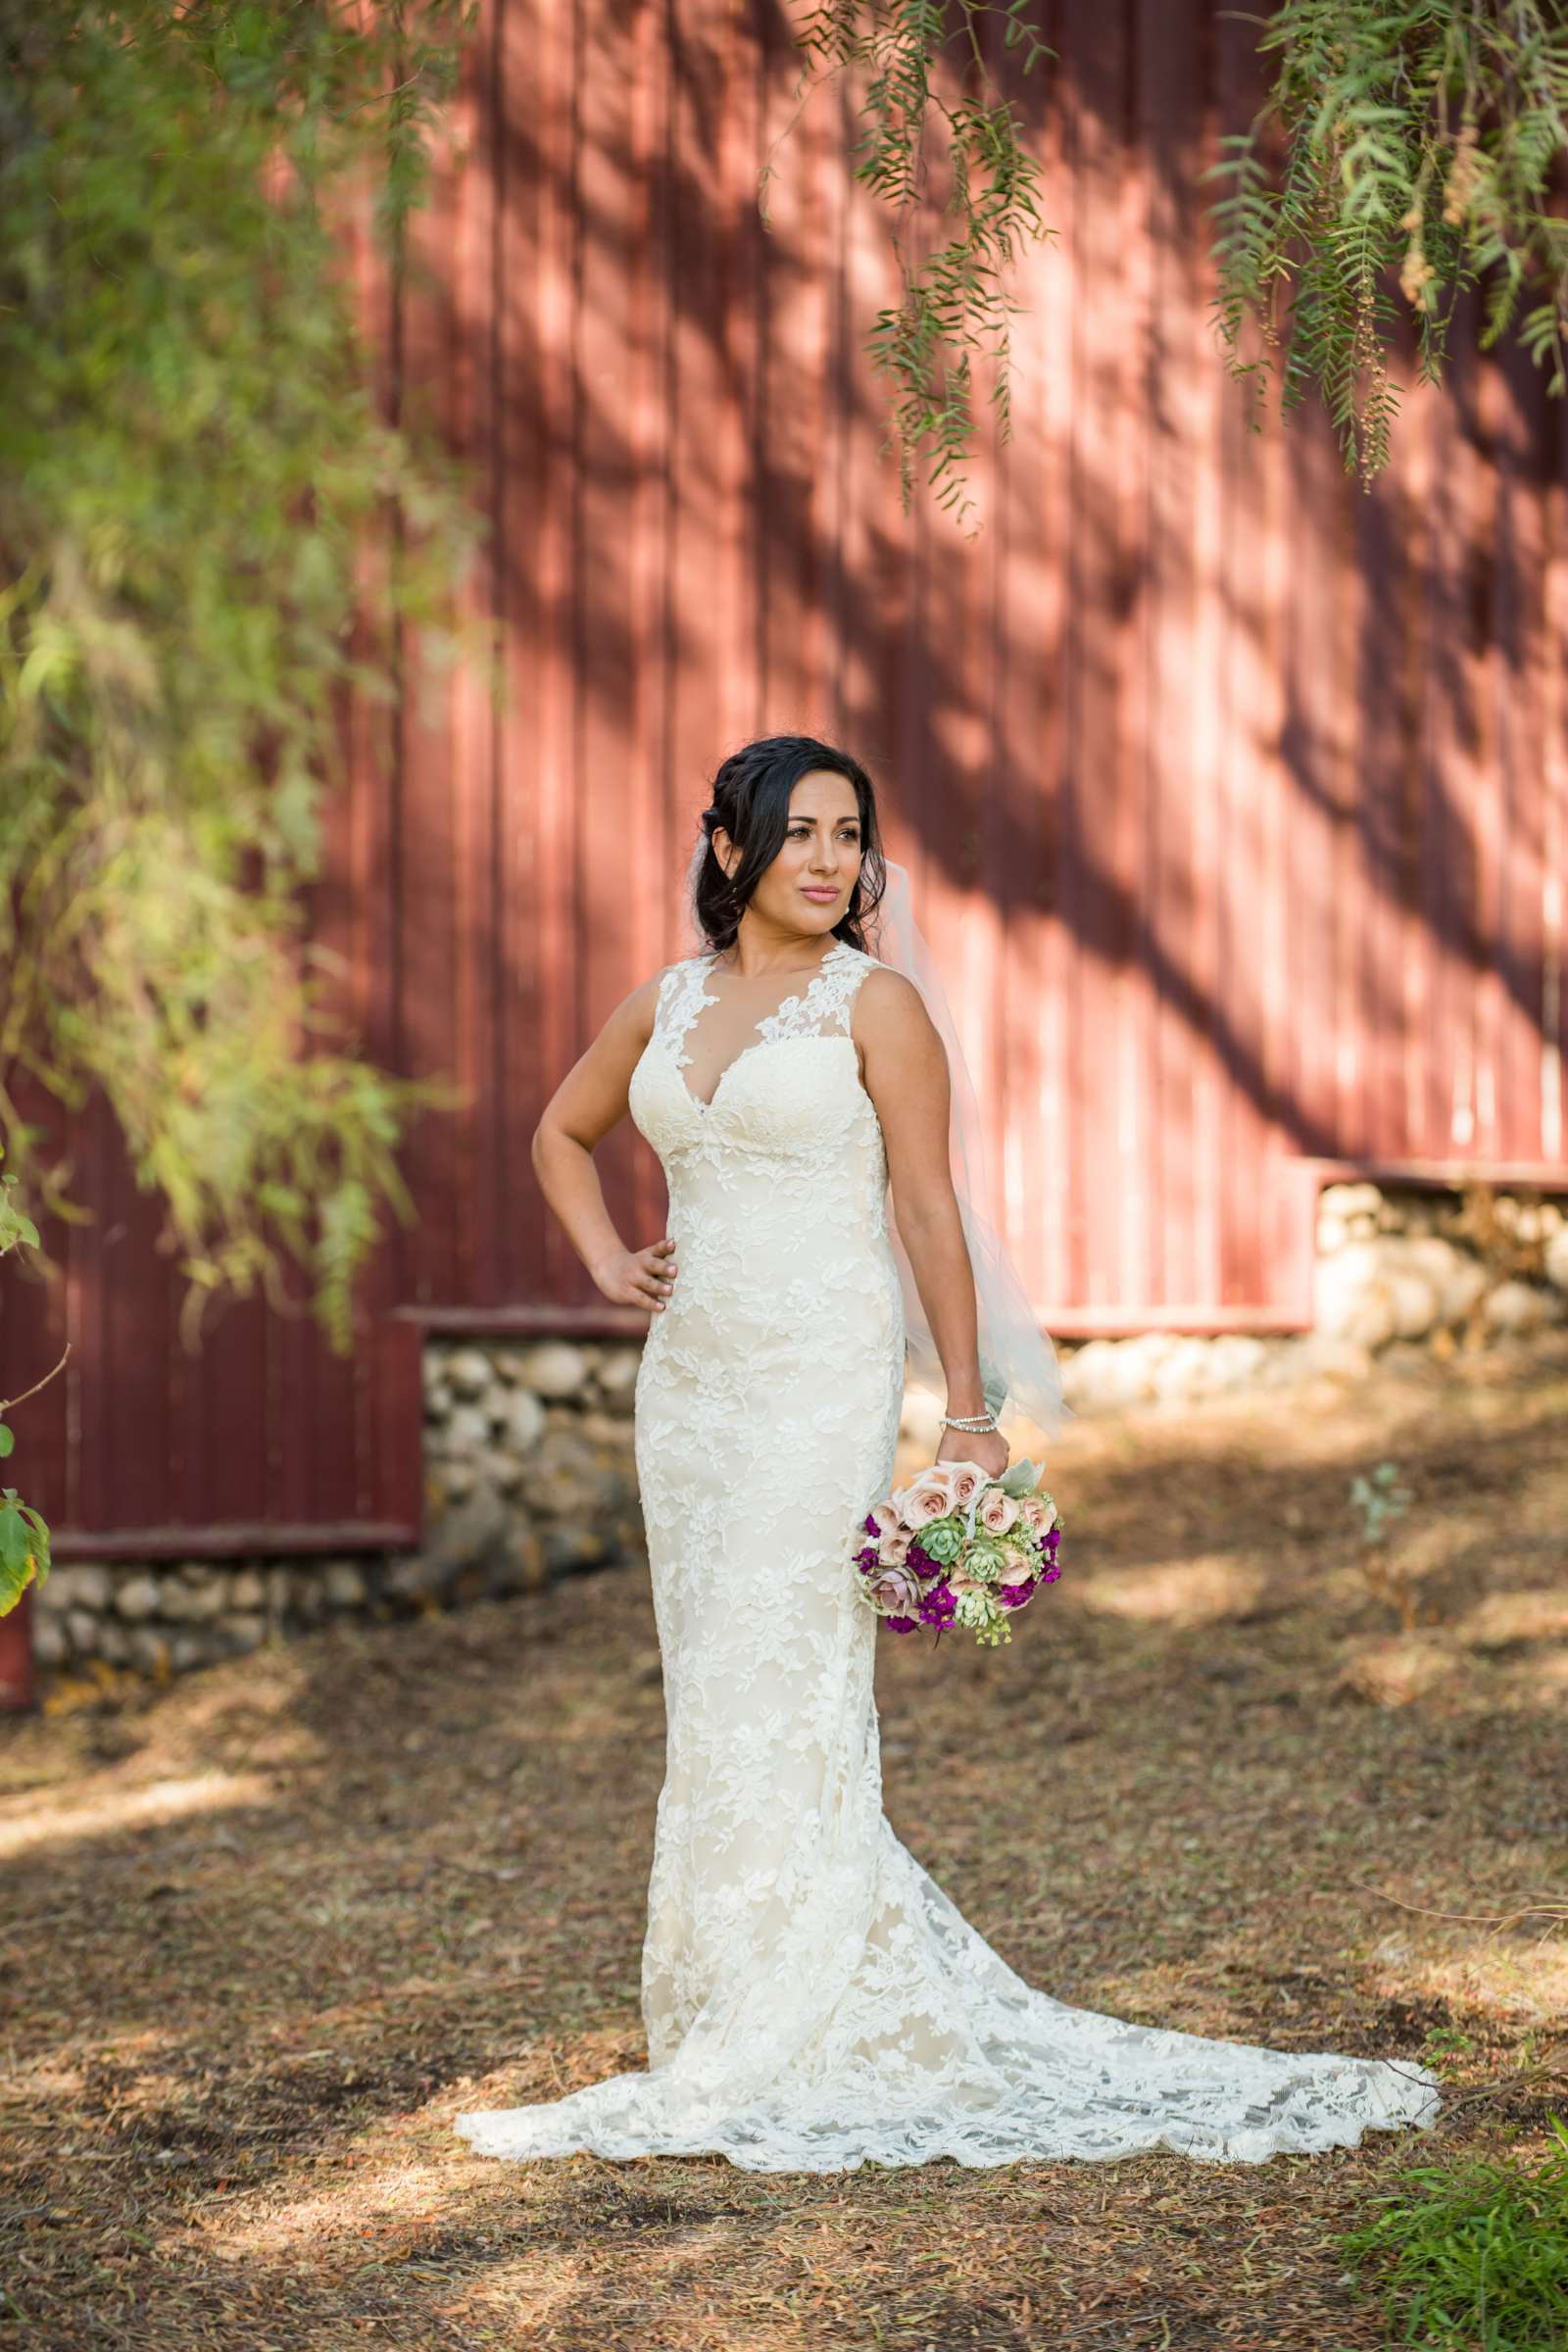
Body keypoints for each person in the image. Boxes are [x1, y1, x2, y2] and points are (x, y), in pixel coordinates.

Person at [453, 734, 1442, 2173]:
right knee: (713, 1685)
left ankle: (812, 2006)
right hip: (695, 1394)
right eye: (797, 832)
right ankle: (724, 1998)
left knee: (793, 1670)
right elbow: (561, 1130)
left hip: (820, 1379)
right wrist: (608, 1259)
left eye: (848, 834)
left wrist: (965, 1412)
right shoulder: (667, 1002)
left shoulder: (879, 1004)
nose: (828, 859)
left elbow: (928, 1209)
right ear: (729, 849)